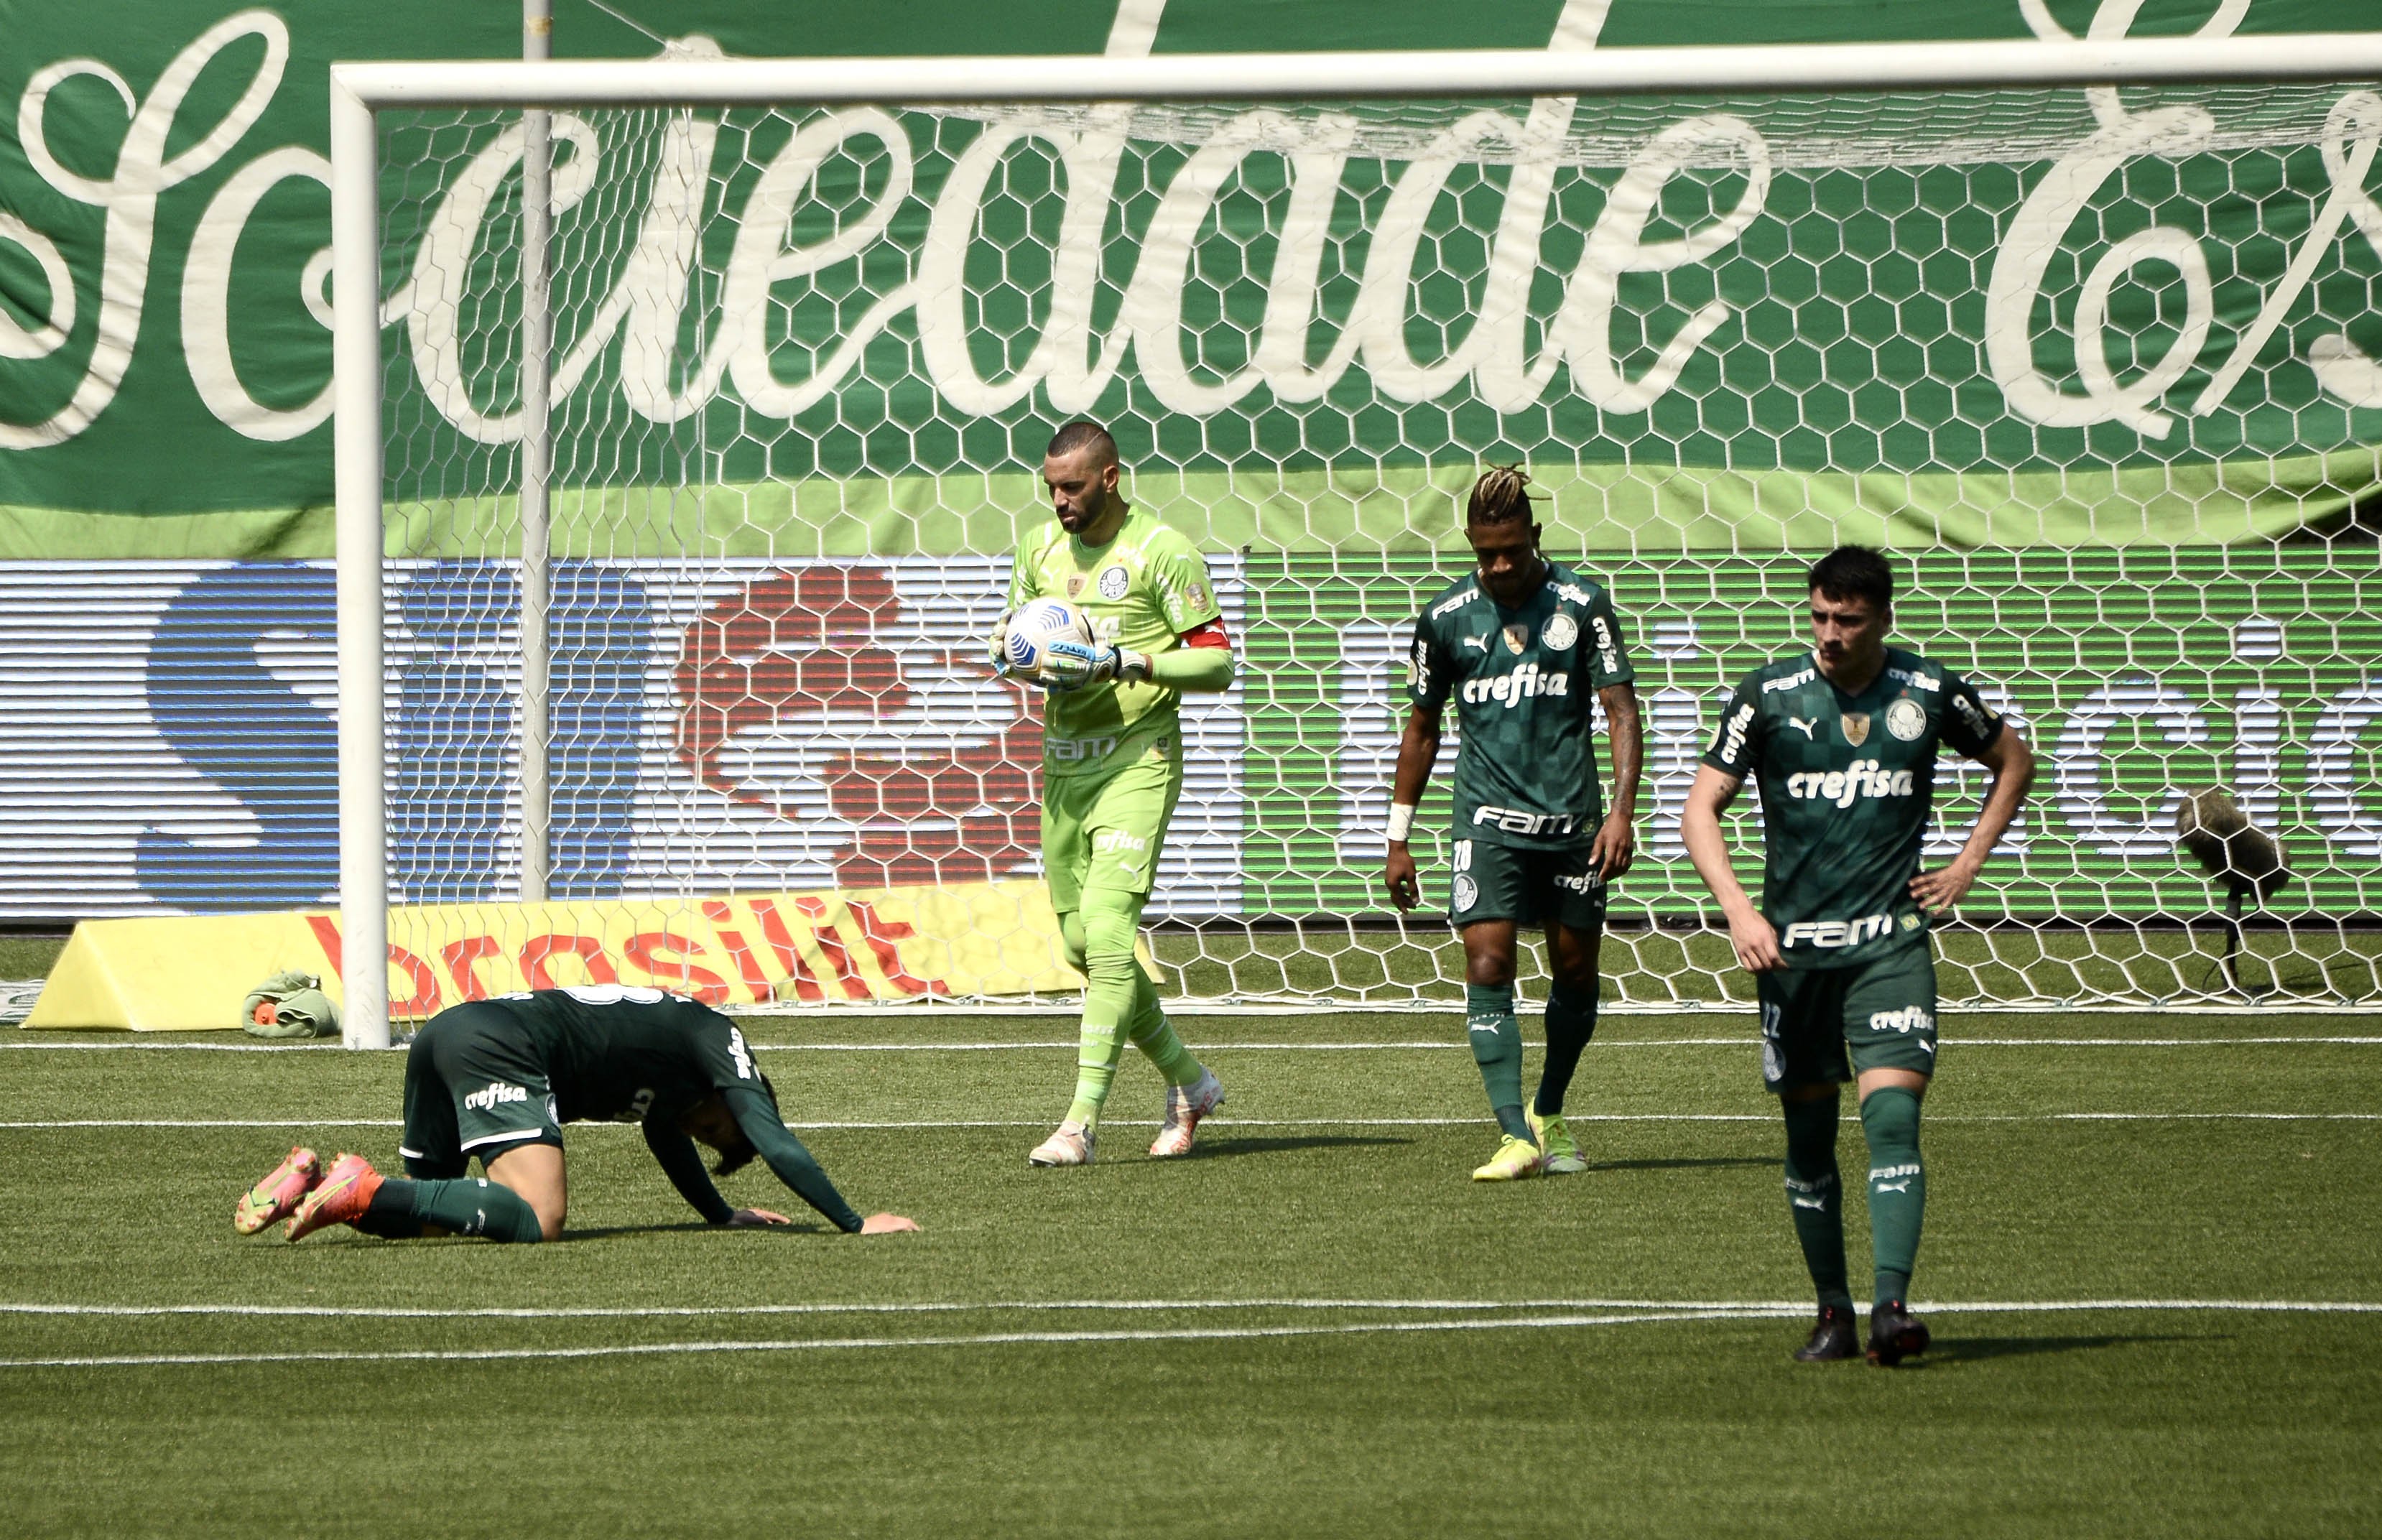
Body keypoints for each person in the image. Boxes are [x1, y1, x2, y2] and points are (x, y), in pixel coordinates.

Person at [1679, 545, 2033, 1366]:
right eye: (1818, 616)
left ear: (1883, 617)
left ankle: (1891, 1306)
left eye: (1848, 619)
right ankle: (1833, 1311)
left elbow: (2013, 760)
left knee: (1892, 1118)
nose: (1829, 633)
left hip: (1888, 946)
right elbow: (1701, 806)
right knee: (1808, 1139)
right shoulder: (1766, 695)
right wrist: (1739, 911)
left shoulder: (1929, 690)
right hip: (1791, 958)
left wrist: (1968, 860)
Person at [987, 421, 1236, 1166]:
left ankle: (1078, 1122)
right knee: (1080, 946)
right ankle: (1190, 1082)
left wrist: (1122, 660)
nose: (1058, 499)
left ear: (1110, 478)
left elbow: (1217, 663)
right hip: (1064, 764)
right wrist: (1014, 653)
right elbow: (1009, 631)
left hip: (1138, 758)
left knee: (1106, 928)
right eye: (1049, 486)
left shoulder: (1162, 550)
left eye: (1071, 486)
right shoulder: (1037, 547)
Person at [1384, 465, 1643, 1181]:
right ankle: (1511, 1134)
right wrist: (1398, 837)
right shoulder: (1444, 618)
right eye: (1484, 552)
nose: (1498, 565)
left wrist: (1620, 813)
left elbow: (1621, 711)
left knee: (1574, 969)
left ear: (1534, 534)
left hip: (1572, 825)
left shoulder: (1583, 604)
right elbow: (1422, 729)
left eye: (1510, 550)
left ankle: (1549, 1108)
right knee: (1487, 964)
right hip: (1485, 822)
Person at [232, 984, 918, 1243]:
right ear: (742, 1095)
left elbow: (664, 1136)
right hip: (499, 1044)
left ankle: (317, 1179)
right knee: (539, 1217)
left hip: (451, 1033)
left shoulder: (673, 1094)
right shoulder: (721, 1041)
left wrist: (719, 1213)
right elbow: (780, 1144)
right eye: (717, 1125)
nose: (697, 1130)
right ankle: (364, 1181)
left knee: (429, 1223)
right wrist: (857, 1224)